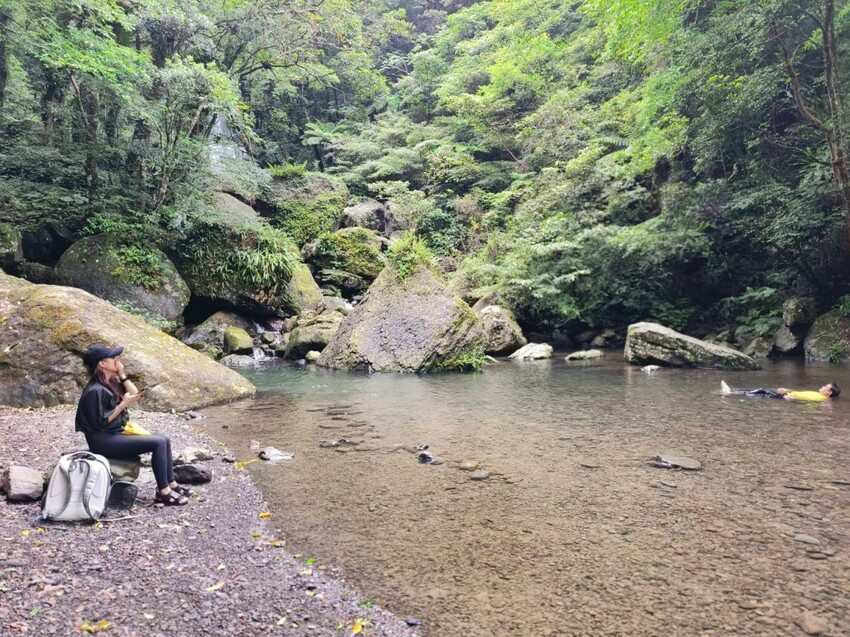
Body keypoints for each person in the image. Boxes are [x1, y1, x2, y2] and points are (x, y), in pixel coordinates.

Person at [75, 344, 192, 505]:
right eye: (113, 358)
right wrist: (123, 404)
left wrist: (122, 374)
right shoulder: (95, 390)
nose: (118, 360)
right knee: (157, 443)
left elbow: (135, 393)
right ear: (102, 363)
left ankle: (172, 484)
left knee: (164, 438)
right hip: (102, 441)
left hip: (115, 433)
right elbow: (101, 421)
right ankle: (163, 492)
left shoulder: (110, 381)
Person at [721, 380, 840, 402]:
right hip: (786, 394)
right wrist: (787, 390)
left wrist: (792, 398)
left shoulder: (820, 398)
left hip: (785, 398)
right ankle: (734, 392)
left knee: (762, 390)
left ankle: (731, 393)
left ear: (829, 392)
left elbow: (804, 398)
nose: (823, 386)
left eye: (826, 386)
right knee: (759, 392)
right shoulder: (818, 394)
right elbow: (802, 393)